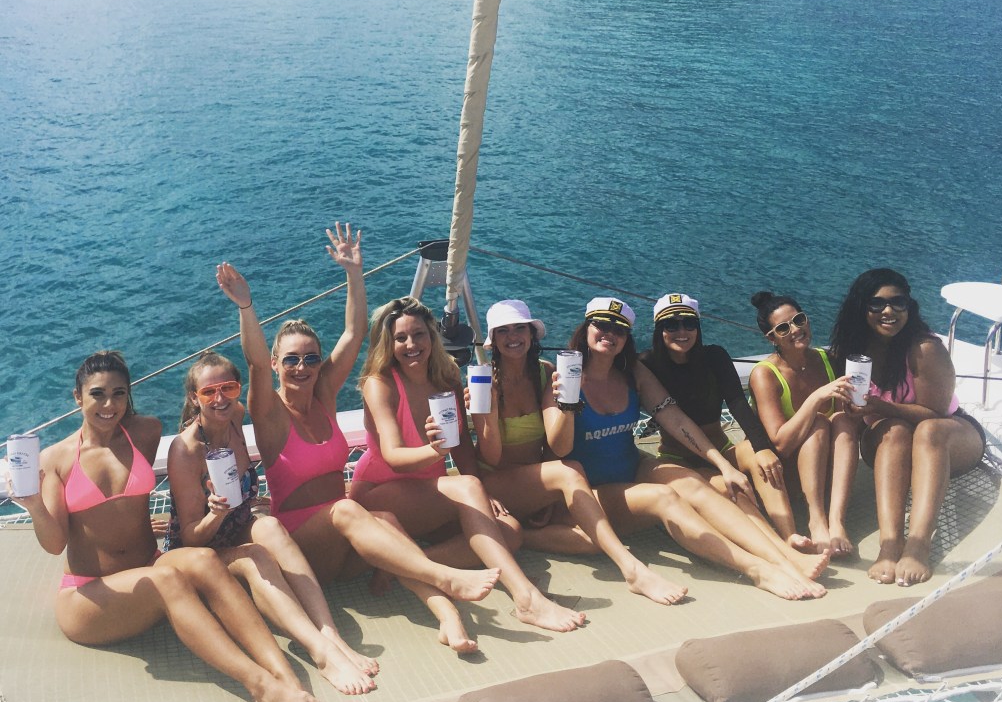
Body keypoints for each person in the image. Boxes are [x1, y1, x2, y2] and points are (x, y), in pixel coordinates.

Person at [221, 224, 500, 655]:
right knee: (351, 509)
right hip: (305, 546)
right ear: (277, 363)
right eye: (291, 360)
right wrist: (246, 306)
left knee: (386, 522)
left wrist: (354, 273)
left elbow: (353, 335)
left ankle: (446, 614)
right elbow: (254, 363)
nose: (302, 367)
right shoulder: (270, 412)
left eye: (311, 358)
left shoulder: (325, 397)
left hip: (345, 540)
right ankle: (443, 575)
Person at [12, 351, 328, 702]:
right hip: (90, 595)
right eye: (97, 394)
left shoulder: (144, 433)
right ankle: (261, 686)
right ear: (78, 398)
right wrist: (33, 505)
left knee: (205, 561)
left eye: (119, 393)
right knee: (168, 578)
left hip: (149, 565)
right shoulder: (56, 459)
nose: (109, 404)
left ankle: (284, 674)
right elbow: (53, 544)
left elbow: (221, 419)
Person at [545, 298, 829, 601]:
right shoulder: (562, 377)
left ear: (627, 337)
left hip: (632, 466)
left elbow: (675, 419)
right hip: (592, 489)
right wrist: (567, 404)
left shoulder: (633, 372)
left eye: (619, 329)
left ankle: (784, 556)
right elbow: (560, 448)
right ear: (586, 328)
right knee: (665, 497)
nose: (609, 333)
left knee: (696, 485)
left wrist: (723, 464)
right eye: (601, 325)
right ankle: (758, 569)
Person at [351, 295, 587, 633]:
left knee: (511, 533)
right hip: (379, 493)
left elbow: (461, 446)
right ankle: (527, 600)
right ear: (389, 343)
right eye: (400, 338)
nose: (410, 344)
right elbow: (394, 456)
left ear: (431, 335)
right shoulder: (381, 383)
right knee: (469, 493)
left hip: (428, 493)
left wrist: (481, 488)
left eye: (418, 334)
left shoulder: (445, 377)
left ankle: (400, 567)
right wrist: (438, 453)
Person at [167, 350, 378, 695]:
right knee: (256, 556)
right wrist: (215, 514)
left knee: (270, 527)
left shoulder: (234, 416)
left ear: (237, 390)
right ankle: (321, 652)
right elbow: (190, 539)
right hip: (199, 550)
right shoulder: (186, 450)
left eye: (228, 388)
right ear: (194, 398)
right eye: (208, 392)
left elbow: (259, 366)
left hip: (236, 527)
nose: (220, 398)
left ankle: (330, 634)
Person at [470, 298, 687, 605]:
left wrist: (547, 492)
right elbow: (489, 457)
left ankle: (519, 537)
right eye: (503, 331)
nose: (513, 336)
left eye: (520, 328)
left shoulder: (546, 374)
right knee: (570, 469)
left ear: (532, 335)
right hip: (496, 483)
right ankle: (632, 569)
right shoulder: (483, 381)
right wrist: (489, 409)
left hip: (537, 481)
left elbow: (553, 445)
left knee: (592, 540)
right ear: (493, 340)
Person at [829, 268, 986, 586]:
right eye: (877, 304)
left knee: (927, 431)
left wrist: (881, 407)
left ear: (909, 306)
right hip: (893, 443)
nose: (888, 311)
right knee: (894, 429)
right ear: (862, 308)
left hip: (946, 435)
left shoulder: (924, 349)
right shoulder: (852, 351)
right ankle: (890, 544)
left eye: (898, 302)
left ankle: (918, 543)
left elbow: (935, 412)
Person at [639, 292, 812, 551]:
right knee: (727, 488)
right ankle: (776, 547)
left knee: (761, 460)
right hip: (678, 459)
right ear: (659, 330)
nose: (681, 331)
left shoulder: (714, 357)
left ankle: (789, 534)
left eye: (689, 324)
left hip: (721, 448)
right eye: (671, 325)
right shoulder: (646, 364)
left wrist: (762, 447)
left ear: (698, 328)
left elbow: (737, 403)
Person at [748, 291, 861, 558]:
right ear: (771, 337)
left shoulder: (827, 359)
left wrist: (857, 407)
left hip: (828, 470)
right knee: (819, 422)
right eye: (784, 328)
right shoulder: (765, 375)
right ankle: (816, 520)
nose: (795, 330)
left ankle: (837, 521)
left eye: (799, 320)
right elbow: (781, 444)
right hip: (788, 471)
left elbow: (849, 420)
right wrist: (816, 398)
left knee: (842, 420)